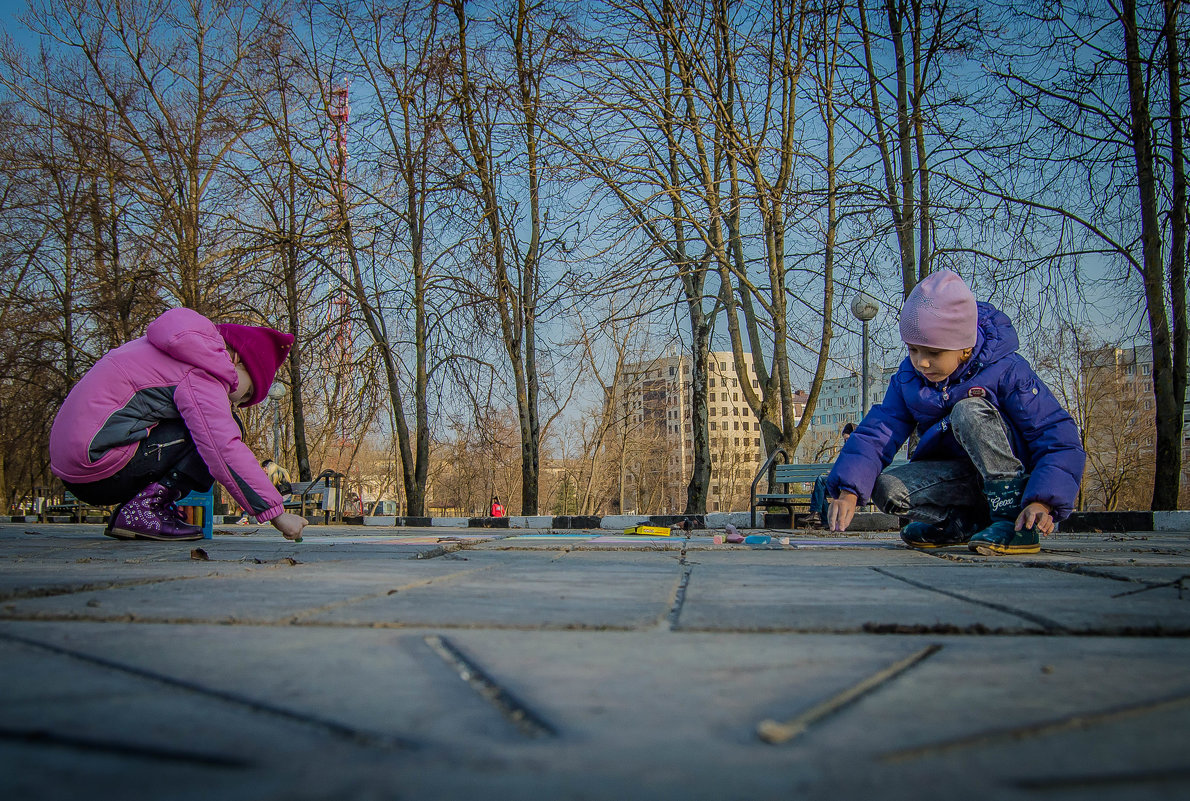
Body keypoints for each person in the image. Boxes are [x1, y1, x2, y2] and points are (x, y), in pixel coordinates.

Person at [824, 269, 1085, 555]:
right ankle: (963, 523)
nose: (921, 363)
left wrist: (1042, 501)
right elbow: (879, 432)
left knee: (968, 411)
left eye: (933, 353)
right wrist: (849, 490)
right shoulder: (908, 379)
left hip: (1013, 480)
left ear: (964, 347)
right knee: (885, 488)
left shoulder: (1007, 371)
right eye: (913, 350)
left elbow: (1056, 434)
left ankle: (1011, 521)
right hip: (961, 480)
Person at [49, 308, 309, 543]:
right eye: (246, 392)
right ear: (239, 360)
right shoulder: (204, 370)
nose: (236, 400)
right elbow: (223, 448)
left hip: (78, 461)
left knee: (205, 422)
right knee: (220, 429)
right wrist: (276, 514)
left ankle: (145, 507)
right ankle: (146, 508)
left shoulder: (179, 348)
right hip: (96, 467)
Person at [804, 422, 854, 529]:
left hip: (849, 483)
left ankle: (816, 513)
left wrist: (836, 473)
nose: (846, 442)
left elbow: (852, 469)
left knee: (821, 480)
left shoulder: (856, 451)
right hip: (841, 481)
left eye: (848, 439)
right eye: (844, 440)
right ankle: (825, 521)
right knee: (820, 490)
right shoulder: (847, 450)